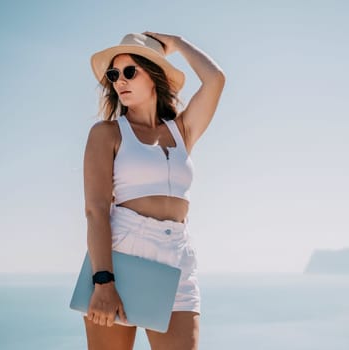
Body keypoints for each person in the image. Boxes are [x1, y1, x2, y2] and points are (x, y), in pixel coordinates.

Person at [82, 32, 225, 350]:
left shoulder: (182, 131)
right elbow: (96, 210)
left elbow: (215, 79)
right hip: (122, 255)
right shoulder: (107, 133)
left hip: (177, 257)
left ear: (154, 76)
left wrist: (177, 43)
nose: (120, 81)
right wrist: (103, 281)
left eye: (130, 71)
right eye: (113, 75)